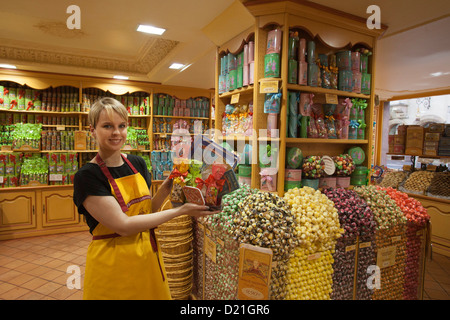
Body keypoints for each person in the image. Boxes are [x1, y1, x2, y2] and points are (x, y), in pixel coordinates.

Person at [73, 97, 216, 300]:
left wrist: (168, 185)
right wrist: (180, 211)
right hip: (113, 263)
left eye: (121, 126)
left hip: (148, 255)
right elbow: (123, 226)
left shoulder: (137, 163)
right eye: (107, 126)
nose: (116, 132)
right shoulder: (87, 176)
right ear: (92, 130)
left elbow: (148, 210)